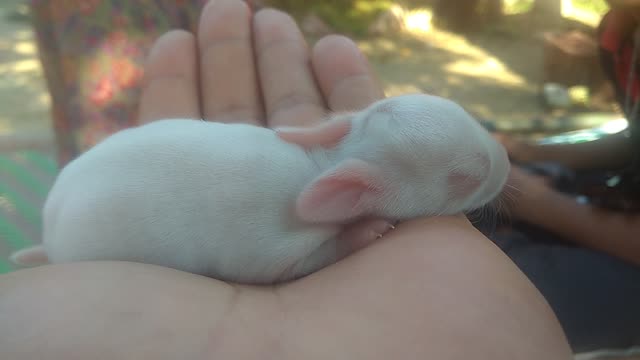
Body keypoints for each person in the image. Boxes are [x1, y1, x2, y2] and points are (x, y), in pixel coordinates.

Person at [0, 1, 573, 359]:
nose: (491, 180)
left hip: (83, 194)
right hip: (93, 236)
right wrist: (348, 241)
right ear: (355, 191)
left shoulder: (312, 150)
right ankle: (61, 250)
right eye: (458, 182)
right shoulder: (303, 217)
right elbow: (282, 261)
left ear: (332, 132)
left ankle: (56, 247)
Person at [491, 0, 640, 354]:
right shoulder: (621, 34)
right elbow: (634, 140)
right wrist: (530, 151)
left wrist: (531, 199)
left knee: (474, 273)